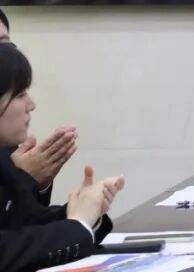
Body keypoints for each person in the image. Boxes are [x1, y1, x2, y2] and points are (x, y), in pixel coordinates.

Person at [0, 42, 124, 271]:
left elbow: (24, 224)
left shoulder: (6, 156)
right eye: (20, 94)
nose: (31, 105)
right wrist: (76, 226)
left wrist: (86, 210)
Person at [0, 8, 77, 205]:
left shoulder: (8, 143)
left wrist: (39, 181)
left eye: (5, 45)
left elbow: (27, 217)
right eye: (20, 95)